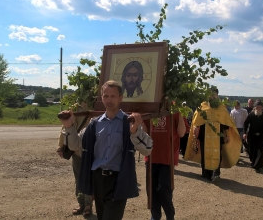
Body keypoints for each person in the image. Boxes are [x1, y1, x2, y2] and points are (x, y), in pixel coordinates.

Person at [59, 80, 153, 220]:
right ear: (101, 98)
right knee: (102, 216)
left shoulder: (129, 122)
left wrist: (134, 132)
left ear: (120, 98)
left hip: (119, 179)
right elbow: (76, 146)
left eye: (113, 96)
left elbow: (148, 149)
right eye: (106, 96)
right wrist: (68, 127)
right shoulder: (94, 124)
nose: (109, 100)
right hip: (98, 179)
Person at [184, 88, 241, 182]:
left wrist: (227, 135)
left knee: (218, 154)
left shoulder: (221, 107)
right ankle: (205, 173)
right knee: (204, 154)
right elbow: (196, 119)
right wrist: (195, 128)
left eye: (214, 94)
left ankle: (216, 173)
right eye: (210, 94)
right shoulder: (203, 106)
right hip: (204, 135)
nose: (212, 96)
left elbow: (225, 122)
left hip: (218, 135)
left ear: (217, 96)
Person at [146, 111, 188, 220]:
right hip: (152, 155)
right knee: (152, 189)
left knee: (164, 188)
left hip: (168, 156)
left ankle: (170, 215)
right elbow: (145, 131)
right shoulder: (151, 106)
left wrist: (180, 114)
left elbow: (182, 133)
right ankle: (155, 215)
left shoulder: (174, 107)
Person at [57, 104, 93, 217]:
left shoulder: (96, 106)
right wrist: (60, 145)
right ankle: (81, 203)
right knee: (78, 178)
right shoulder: (74, 107)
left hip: (90, 151)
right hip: (76, 150)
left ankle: (88, 205)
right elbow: (65, 126)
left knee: (88, 179)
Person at [243, 100, 263, 173]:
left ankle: (258, 166)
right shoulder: (251, 115)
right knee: (252, 150)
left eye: (260, 107)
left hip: (261, 136)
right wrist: (245, 133)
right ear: (255, 107)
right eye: (257, 107)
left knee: (260, 151)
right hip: (251, 135)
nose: (258, 108)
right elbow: (245, 124)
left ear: (262, 108)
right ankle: (253, 162)